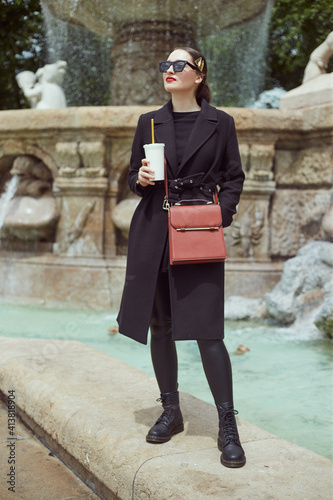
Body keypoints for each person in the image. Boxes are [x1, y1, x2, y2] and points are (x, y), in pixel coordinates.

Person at [117, 47, 246, 468]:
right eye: (165, 66)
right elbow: (133, 176)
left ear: (198, 73)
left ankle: (228, 424)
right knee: (161, 324)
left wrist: (218, 215)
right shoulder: (148, 122)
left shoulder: (220, 123)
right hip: (154, 228)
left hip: (198, 231)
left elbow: (233, 177)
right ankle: (171, 412)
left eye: (178, 65)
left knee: (208, 330)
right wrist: (139, 177)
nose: (169, 71)